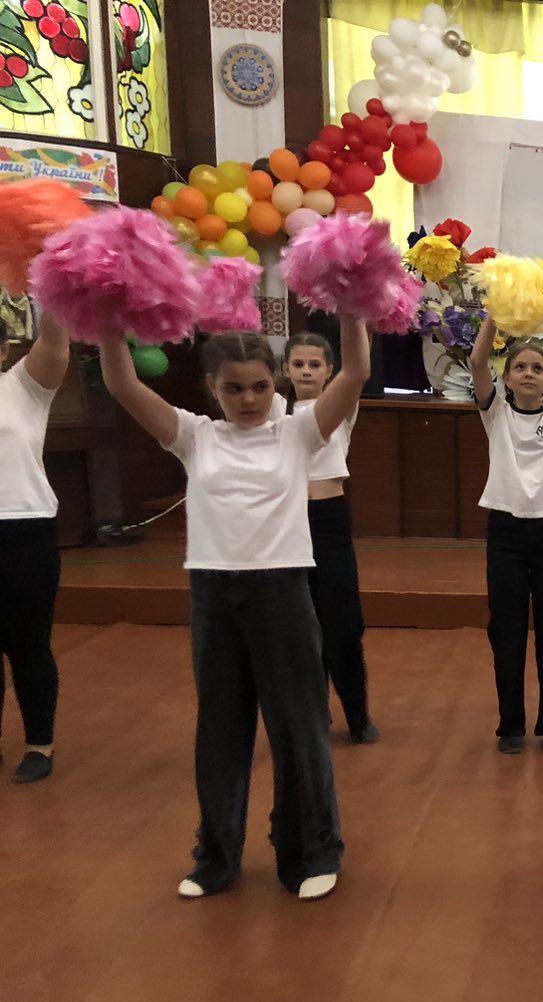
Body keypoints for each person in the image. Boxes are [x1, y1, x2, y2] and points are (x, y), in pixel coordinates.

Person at [98, 317, 370, 900]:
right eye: (234, 388)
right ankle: (216, 855)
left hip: (282, 591)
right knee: (220, 727)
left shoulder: (298, 433)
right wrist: (107, 317)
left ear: (276, 384)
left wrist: (352, 309)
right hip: (214, 594)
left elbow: (355, 373)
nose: (248, 399)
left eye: (259, 387)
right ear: (212, 388)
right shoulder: (194, 436)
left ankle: (312, 850)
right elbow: (122, 384)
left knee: (298, 726)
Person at [470, 317, 543, 755]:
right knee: (506, 631)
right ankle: (510, 724)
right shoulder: (495, 412)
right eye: (520, 367)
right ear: (506, 379)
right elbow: (477, 361)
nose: (528, 373)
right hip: (506, 532)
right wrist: (496, 314)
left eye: (537, 368)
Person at [274, 332, 379, 745]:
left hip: (331, 523)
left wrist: (360, 315)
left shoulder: (340, 406)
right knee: (301, 629)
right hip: (289, 523)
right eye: (298, 364)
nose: (306, 371)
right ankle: (313, 716)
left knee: (343, 626)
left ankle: (358, 716)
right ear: (286, 369)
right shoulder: (274, 410)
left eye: (315, 365)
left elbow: (359, 367)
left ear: (329, 371)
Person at [0, 311, 69, 783]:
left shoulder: (24, 386)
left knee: (28, 646)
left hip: (25, 530)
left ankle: (39, 744)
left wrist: (54, 278)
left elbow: (56, 341)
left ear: (4, 349)